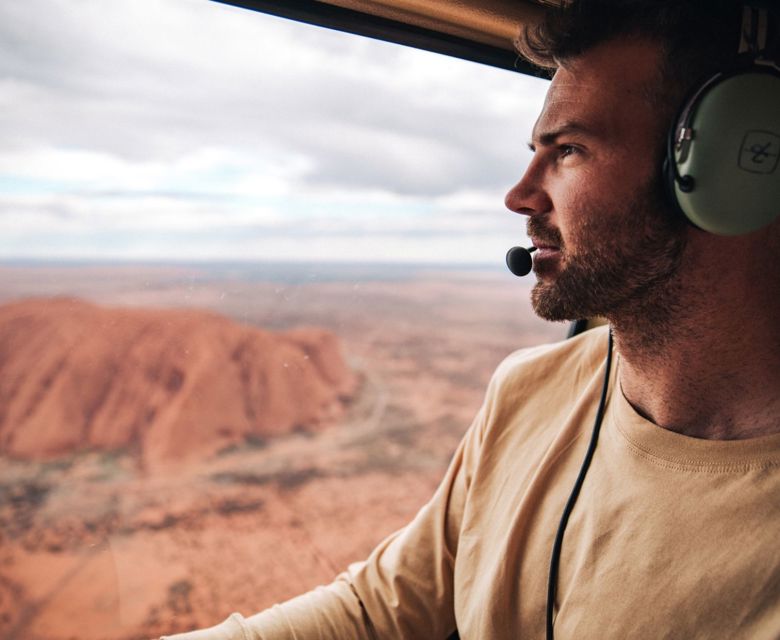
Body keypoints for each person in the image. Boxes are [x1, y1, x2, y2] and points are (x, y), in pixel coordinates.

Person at [164, 1, 780, 637]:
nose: (519, 195)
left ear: (737, 164)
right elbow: (381, 609)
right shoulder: (528, 392)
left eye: (569, 149)